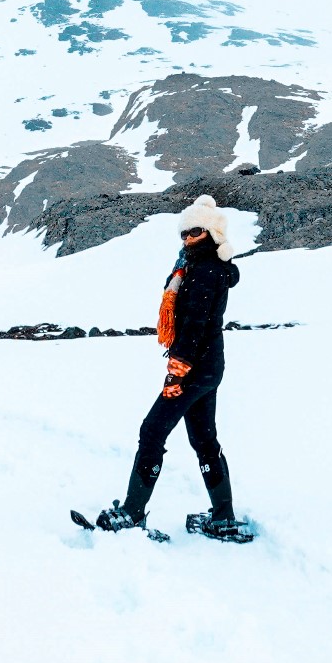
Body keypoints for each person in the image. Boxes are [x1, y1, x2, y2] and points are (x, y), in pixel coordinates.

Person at [93, 194, 253, 542]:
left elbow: (194, 324)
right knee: (204, 440)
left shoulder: (207, 270)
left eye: (195, 231)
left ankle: (133, 514)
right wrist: (182, 262)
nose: (187, 238)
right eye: (183, 232)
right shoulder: (195, 266)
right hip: (209, 366)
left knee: (152, 431)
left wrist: (177, 370)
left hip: (195, 367)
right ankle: (223, 518)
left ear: (211, 233)